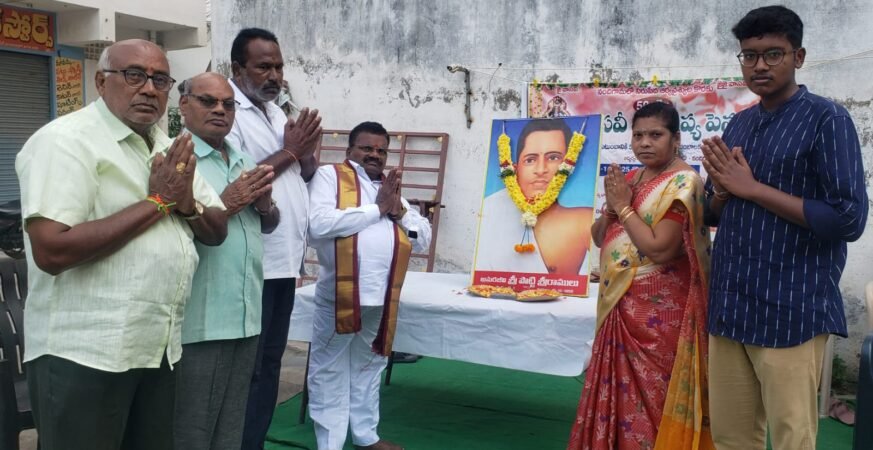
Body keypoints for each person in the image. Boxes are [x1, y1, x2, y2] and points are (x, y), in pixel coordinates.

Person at [15, 39, 227, 450]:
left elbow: (217, 228)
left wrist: (186, 204)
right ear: (101, 82)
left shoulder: (167, 146)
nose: (148, 88)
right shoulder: (65, 141)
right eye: (134, 75)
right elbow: (52, 251)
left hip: (157, 349)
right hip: (84, 353)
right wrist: (158, 202)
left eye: (160, 80)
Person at [701, 6, 867, 450]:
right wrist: (722, 192)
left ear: (799, 57)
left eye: (773, 54)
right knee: (731, 437)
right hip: (731, 304)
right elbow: (711, 213)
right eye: (749, 55)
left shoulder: (827, 120)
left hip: (790, 307)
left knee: (792, 438)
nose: (759, 65)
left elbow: (848, 218)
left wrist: (753, 189)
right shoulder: (740, 123)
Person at [568, 101, 713, 449]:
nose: (645, 143)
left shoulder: (684, 183)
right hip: (619, 304)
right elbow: (599, 236)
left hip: (659, 315)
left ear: (676, 139)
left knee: (654, 395)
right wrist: (612, 208)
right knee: (619, 397)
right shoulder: (632, 179)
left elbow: (660, 249)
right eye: (638, 135)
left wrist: (623, 206)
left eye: (655, 135)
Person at [226, 27, 323, 449]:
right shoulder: (228, 112)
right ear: (237, 69)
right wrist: (291, 151)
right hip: (253, 262)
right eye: (264, 66)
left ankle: (255, 441)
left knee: (270, 362)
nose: (275, 76)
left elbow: (300, 173)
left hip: (284, 262)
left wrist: (306, 153)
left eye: (279, 67)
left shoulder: (276, 113)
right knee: (249, 369)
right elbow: (241, 182)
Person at [307, 121, 432, 450]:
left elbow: (422, 238)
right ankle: (330, 444)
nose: (374, 155)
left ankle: (366, 436)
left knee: (370, 364)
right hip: (340, 295)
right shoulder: (329, 177)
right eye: (366, 148)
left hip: (382, 296)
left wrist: (398, 213)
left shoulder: (389, 188)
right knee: (330, 367)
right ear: (349, 150)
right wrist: (376, 209)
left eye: (381, 150)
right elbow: (318, 225)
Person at [173, 73, 280, 450]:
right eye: (208, 101)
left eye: (228, 104)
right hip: (202, 321)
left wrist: (265, 206)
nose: (220, 110)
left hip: (246, 315)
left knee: (231, 427)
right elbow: (172, 228)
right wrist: (228, 201)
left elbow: (269, 222)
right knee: (193, 430)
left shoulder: (243, 159)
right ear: (184, 105)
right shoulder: (176, 159)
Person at [476, 119, 594, 275]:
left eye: (553, 157)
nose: (541, 170)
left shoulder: (582, 221)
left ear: (568, 165)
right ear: (515, 169)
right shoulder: (491, 210)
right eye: (530, 160)